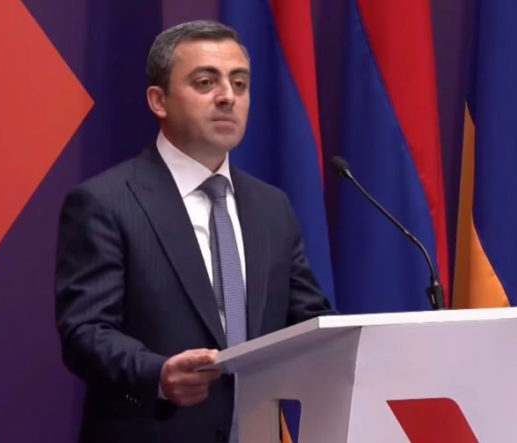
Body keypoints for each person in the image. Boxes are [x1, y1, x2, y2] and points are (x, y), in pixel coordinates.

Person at [55, 20, 335, 443]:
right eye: (206, 82)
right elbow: (86, 333)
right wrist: (157, 374)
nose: (227, 97)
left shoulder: (271, 206)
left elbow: (307, 318)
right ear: (159, 100)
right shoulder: (105, 202)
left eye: (239, 84)